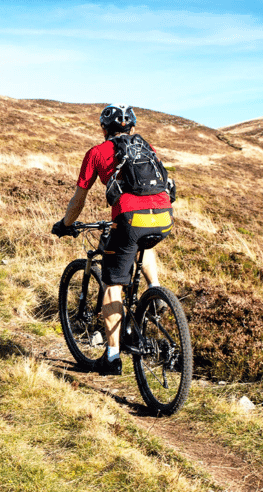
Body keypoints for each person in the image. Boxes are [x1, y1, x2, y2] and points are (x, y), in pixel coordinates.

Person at [52, 104, 173, 375]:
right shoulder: (146, 147)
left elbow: (78, 199)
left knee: (112, 285)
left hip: (130, 218)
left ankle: (112, 356)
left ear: (103, 128)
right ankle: (156, 289)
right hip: (164, 216)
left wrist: (65, 224)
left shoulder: (96, 153)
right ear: (131, 128)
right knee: (145, 243)